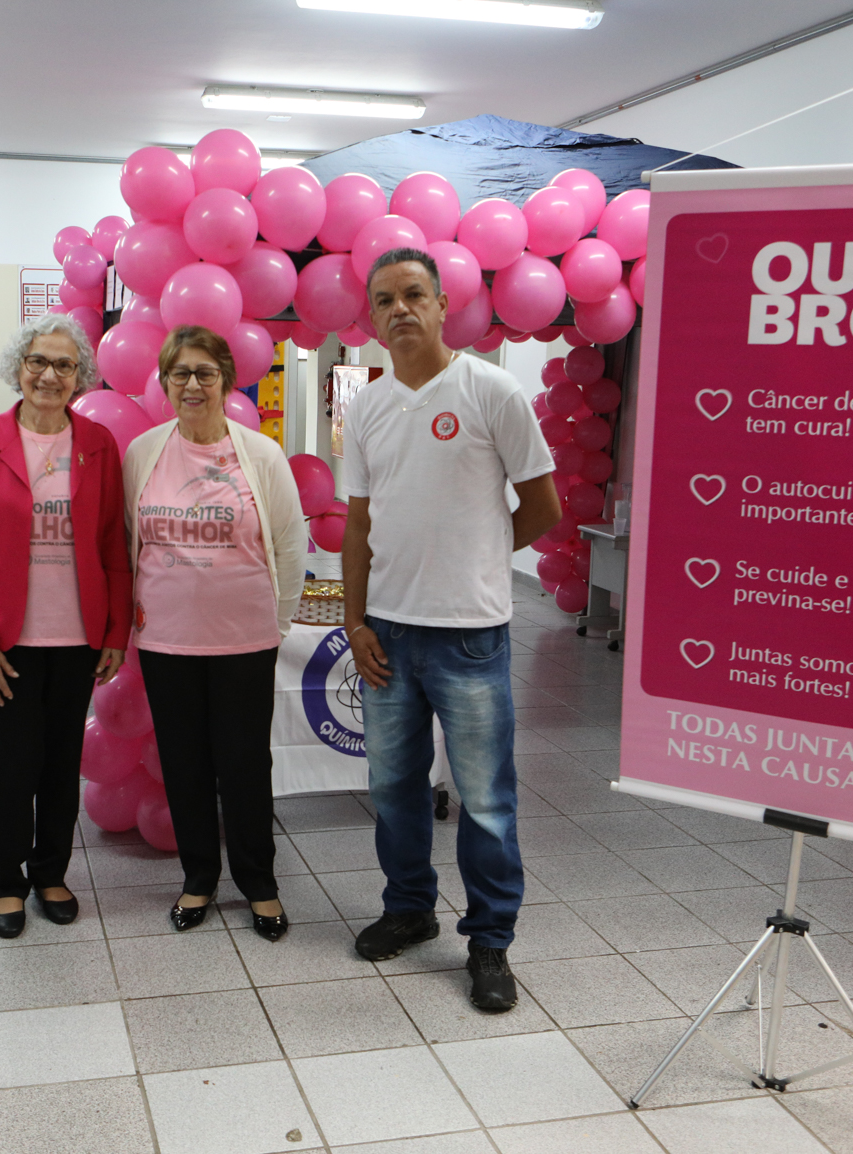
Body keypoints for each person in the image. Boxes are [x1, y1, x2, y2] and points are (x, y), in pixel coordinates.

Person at [343, 248, 562, 1011]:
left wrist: (481, 551)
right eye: (383, 300)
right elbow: (359, 520)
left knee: (485, 799)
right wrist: (352, 618)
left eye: (412, 295)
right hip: (387, 635)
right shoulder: (367, 405)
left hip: (470, 634)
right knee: (393, 788)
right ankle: (408, 907)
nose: (398, 309)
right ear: (371, 317)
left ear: (441, 305)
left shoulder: (490, 390)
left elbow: (544, 506)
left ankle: (489, 942)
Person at [0, 313, 132, 939]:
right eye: (37, 362)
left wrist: (114, 632)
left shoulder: (99, 444)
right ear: (18, 369)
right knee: (10, 765)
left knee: (61, 762)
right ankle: (7, 880)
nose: (49, 374)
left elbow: (114, 542)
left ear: (79, 375)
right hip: (8, 641)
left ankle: (51, 871)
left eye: (63, 364)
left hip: (78, 636)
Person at [123, 326, 305, 941]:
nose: (193, 384)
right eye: (181, 373)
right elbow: (128, 541)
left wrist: (276, 624)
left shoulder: (261, 455)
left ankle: (260, 884)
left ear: (226, 381)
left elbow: (288, 542)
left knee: (245, 764)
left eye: (205, 373)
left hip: (245, 639)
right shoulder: (143, 452)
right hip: (165, 640)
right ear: (165, 382)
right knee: (185, 764)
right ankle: (198, 877)